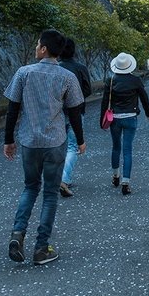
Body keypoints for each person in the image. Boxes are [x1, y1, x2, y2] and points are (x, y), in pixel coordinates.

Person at [3, 28, 86, 266]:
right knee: (50, 193)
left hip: (29, 141)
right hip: (55, 141)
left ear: (43, 49)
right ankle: (41, 248)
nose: (36, 47)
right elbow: (74, 113)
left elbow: (12, 110)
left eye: (38, 44)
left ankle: (17, 235)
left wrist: (8, 140)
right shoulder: (67, 76)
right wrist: (80, 140)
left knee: (30, 187)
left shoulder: (23, 73)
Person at [102, 52, 149, 196]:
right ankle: (126, 182)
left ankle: (115, 176)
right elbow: (144, 97)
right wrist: (148, 113)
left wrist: (102, 120)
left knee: (116, 147)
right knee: (128, 150)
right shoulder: (135, 80)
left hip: (115, 118)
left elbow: (105, 102)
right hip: (131, 117)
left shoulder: (111, 80)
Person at [58, 38, 92, 198]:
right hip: (77, 111)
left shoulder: (56, 68)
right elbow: (88, 90)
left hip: (56, 113)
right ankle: (64, 179)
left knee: (57, 146)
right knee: (72, 146)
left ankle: (59, 177)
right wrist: (76, 98)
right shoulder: (80, 68)